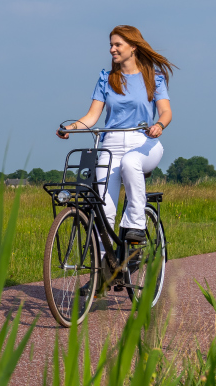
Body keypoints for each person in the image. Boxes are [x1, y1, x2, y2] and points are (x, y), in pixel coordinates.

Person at [57, 25, 175, 293]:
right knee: (104, 211)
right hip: (109, 144)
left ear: (133, 46)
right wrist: (71, 128)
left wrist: (159, 125)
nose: (112, 49)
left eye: (117, 45)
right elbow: (92, 117)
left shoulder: (153, 78)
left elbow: (166, 111)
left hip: (144, 142)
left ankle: (136, 228)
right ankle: (102, 271)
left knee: (132, 163)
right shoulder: (106, 78)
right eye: (111, 45)